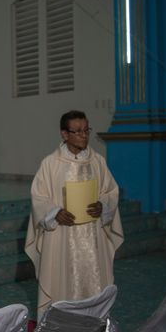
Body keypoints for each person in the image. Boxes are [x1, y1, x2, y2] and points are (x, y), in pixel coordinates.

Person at [25, 110, 123, 318]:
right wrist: (54, 213)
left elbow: (111, 191)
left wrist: (103, 206)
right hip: (62, 236)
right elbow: (38, 197)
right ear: (64, 134)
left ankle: (94, 329)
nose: (84, 135)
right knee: (62, 284)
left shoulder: (98, 162)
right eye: (77, 131)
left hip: (93, 236)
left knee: (94, 284)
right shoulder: (50, 164)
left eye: (86, 129)